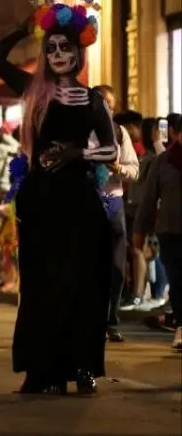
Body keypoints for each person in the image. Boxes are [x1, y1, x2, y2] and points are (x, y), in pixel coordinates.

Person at [0, 0, 117, 394]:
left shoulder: (93, 98)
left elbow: (111, 149)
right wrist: (24, 29)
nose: (59, 53)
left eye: (66, 47)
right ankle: (43, 370)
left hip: (80, 202)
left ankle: (83, 368)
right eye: (52, 48)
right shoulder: (33, 89)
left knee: (83, 284)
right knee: (42, 286)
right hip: (43, 202)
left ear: (79, 52)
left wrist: (78, 152)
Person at [93, 86, 140, 342]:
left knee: (116, 267)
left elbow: (135, 170)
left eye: (108, 104)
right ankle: (90, 320)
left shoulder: (120, 134)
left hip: (113, 205)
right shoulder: (80, 134)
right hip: (86, 206)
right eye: (99, 103)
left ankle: (111, 319)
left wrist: (118, 167)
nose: (104, 108)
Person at [133, 113, 182, 352]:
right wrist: (139, 229)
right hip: (170, 231)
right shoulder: (163, 162)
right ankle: (181, 326)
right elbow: (149, 198)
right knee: (177, 279)